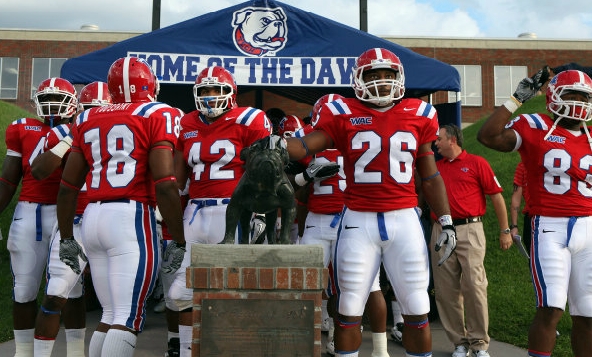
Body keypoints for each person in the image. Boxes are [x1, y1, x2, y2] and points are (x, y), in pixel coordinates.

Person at [282, 47, 457, 357]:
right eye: (373, 75)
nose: (381, 81)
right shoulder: (342, 112)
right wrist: (279, 144)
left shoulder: (420, 113)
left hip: (403, 218)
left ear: (399, 78)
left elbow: (429, 176)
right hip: (358, 219)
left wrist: (446, 220)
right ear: (358, 79)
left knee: (417, 305)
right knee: (349, 305)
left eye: (388, 75)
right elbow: (307, 145)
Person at [56, 56, 186, 357]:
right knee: (127, 318)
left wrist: (65, 237)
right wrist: (178, 238)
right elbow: (166, 183)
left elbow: (67, 187)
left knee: (110, 315)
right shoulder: (158, 112)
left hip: (92, 217)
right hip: (131, 217)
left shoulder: (88, 117)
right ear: (150, 85)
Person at [477, 67, 592, 356]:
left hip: (589, 228)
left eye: (584, 96)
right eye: (571, 94)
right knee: (550, 307)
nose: (578, 101)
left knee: (589, 313)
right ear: (554, 97)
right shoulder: (535, 124)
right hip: (549, 226)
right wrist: (516, 99)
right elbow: (488, 137)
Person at [169, 65, 272, 357]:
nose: (210, 97)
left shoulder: (249, 119)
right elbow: (179, 180)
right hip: (193, 212)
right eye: (204, 91)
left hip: (232, 211)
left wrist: (259, 214)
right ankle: (189, 351)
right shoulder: (186, 122)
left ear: (232, 93)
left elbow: (263, 173)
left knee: (232, 291)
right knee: (181, 293)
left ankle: (232, 349)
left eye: (217, 90)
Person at [31, 81, 112, 357]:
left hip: (109, 220)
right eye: (89, 110)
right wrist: (69, 139)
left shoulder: (123, 133)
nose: (94, 115)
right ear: (79, 110)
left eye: (100, 110)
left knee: (111, 304)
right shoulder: (65, 132)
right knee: (57, 293)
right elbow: (39, 171)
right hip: (74, 221)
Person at [0, 77, 78, 357]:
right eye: (45, 99)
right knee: (23, 291)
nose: (52, 105)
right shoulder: (21, 128)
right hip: (30, 211)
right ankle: (23, 353)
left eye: (57, 98)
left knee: (69, 290)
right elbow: (9, 179)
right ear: (36, 103)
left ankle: (74, 351)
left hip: (68, 213)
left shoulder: (81, 129)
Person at [431, 124, 511, 357]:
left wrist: (505, 230)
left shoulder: (477, 163)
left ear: (452, 140)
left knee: (475, 286)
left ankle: (479, 344)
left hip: (470, 229)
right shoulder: (435, 168)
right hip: (441, 231)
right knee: (446, 290)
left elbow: (496, 197)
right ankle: (459, 343)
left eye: (439, 139)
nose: (436, 143)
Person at [509, 161, 531, 254]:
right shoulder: (522, 166)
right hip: (532, 219)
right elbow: (516, 199)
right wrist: (514, 226)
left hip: (556, 216)